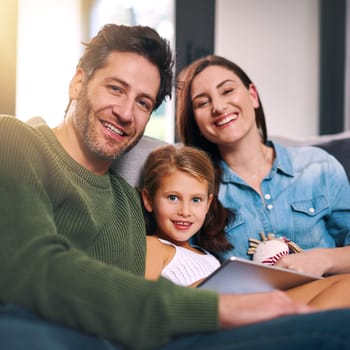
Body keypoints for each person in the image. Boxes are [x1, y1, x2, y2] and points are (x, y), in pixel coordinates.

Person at [2, 24, 350, 350]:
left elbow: (151, 282)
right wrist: (217, 309)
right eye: (115, 88)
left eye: (143, 103)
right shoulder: (16, 140)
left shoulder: (126, 199)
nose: (125, 112)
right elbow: (32, 266)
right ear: (78, 82)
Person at [176, 54, 350, 278]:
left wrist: (323, 260)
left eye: (227, 91)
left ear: (253, 96)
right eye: (202, 102)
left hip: (329, 302)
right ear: (196, 123)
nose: (218, 106)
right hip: (251, 308)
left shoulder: (318, 166)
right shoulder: (195, 190)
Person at [141, 144, 233, 286]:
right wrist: (199, 291)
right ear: (149, 200)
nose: (185, 212)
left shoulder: (209, 258)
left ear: (208, 204)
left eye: (196, 200)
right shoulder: (153, 247)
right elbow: (142, 301)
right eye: (173, 198)